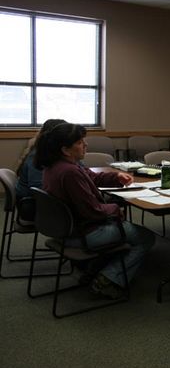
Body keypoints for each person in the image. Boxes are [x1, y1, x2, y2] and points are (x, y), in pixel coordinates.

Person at [34, 122, 155, 299]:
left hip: (65, 230)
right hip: (83, 233)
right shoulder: (69, 172)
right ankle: (108, 279)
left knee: (128, 230)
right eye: (80, 142)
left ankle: (95, 267)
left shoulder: (57, 165)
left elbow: (91, 177)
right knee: (146, 238)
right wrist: (116, 208)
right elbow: (94, 211)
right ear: (66, 150)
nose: (86, 145)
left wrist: (116, 176)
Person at [15, 119, 67, 221]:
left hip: (43, 202)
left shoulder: (60, 152)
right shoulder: (38, 156)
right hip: (32, 205)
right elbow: (38, 188)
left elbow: (82, 170)